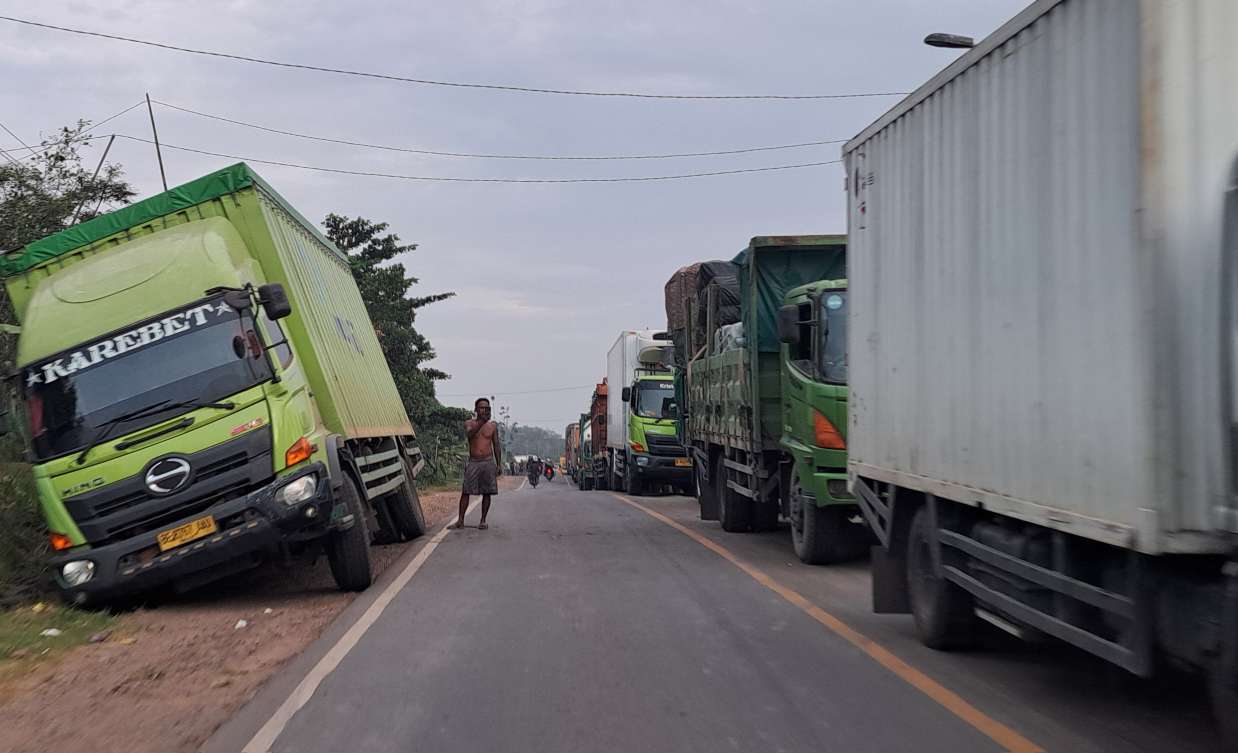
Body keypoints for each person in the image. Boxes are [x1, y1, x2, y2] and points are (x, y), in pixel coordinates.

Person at [450, 397, 502, 530]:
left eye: (487, 408)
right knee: (466, 491)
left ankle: (483, 520)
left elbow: (496, 445)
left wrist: (499, 464)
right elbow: (470, 435)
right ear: (476, 409)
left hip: (488, 461)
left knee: (487, 492)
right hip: (474, 461)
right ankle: (460, 520)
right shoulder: (469, 423)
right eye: (482, 407)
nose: (484, 410)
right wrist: (481, 422)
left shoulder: (493, 426)